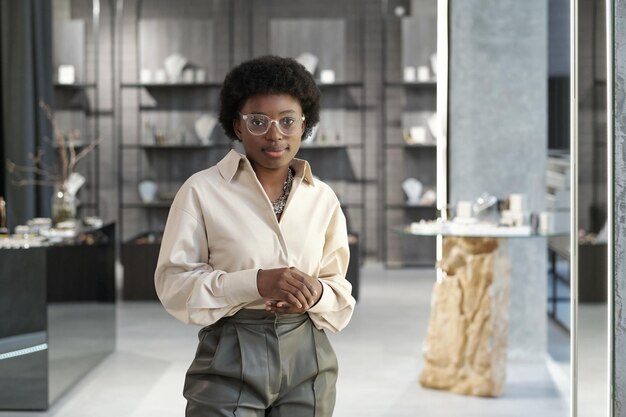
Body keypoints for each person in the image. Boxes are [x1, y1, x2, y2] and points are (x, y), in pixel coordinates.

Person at [154, 55, 356, 417]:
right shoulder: (201, 191)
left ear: (304, 124)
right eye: (259, 121)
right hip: (229, 353)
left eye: (287, 121)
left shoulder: (322, 198)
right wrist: (257, 283)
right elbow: (174, 285)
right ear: (238, 125)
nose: (274, 134)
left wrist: (316, 293)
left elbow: (339, 290)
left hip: (308, 359)